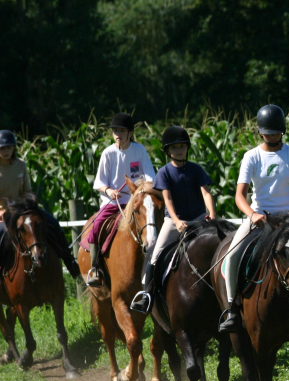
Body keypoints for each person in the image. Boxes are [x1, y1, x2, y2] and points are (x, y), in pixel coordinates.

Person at [218, 104, 289, 332]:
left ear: (282, 131)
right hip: (261, 216)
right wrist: (252, 214)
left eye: (275, 132)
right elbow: (239, 195)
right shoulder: (251, 156)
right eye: (267, 132)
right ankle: (232, 308)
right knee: (232, 256)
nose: (271, 136)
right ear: (259, 132)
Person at [130, 125, 216, 313]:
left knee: (221, 243)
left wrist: (212, 215)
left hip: (200, 218)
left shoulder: (196, 170)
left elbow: (206, 194)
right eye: (174, 147)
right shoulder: (164, 172)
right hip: (174, 221)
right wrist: (176, 221)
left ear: (187, 148)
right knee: (155, 253)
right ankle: (147, 294)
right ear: (168, 151)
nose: (179, 150)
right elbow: (167, 199)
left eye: (182, 146)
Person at [86, 113, 156, 287]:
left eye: (121, 130)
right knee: (96, 226)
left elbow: (149, 177)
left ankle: (158, 266)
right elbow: (99, 183)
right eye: (115, 130)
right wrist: (109, 191)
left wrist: (139, 188)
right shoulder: (108, 153)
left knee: (156, 222)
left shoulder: (139, 151)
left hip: (136, 201)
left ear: (130, 133)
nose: (117, 134)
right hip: (112, 202)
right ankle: (95, 268)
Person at [0, 130, 81, 278]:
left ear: (13, 148)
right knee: (1, 236)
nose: (6, 151)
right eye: (2, 148)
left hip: (24, 209)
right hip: (4, 213)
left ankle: (70, 263)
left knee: (53, 224)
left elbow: (28, 190)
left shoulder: (21, 165)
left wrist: (31, 202)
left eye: (8, 147)